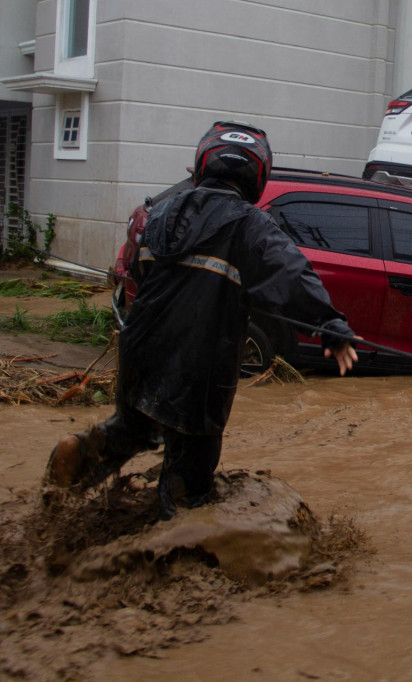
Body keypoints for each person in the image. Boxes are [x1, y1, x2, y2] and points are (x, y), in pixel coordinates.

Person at [44, 121, 358, 519]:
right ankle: (176, 540)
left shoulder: (159, 213)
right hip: (200, 366)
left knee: (134, 428)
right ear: (258, 176)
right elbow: (292, 276)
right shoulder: (251, 225)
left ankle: (82, 455)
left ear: (202, 163)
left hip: (140, 349)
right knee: (190, 471)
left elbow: (138, 273)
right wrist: (330, 326)